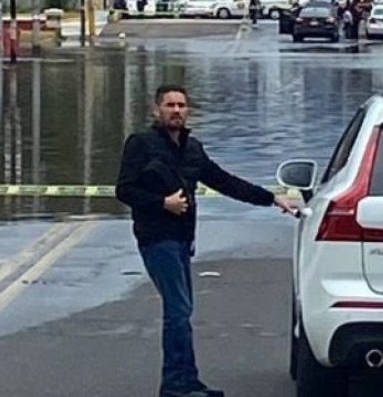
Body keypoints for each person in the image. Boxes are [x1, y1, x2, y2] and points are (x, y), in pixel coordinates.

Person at [116, 85, 298, 397]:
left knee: (182, 311)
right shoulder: (141, 144)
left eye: (181, 105)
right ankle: (175, 385)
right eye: (170, 105)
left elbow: (225, 181)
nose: (176, 110)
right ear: (156, 110)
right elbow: (124, 190)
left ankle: (188, 381)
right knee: (178, 310)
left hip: (182, 238)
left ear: (188, 111)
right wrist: (163, 202)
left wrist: (271, 199)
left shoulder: (192, 149)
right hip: (155, 237)